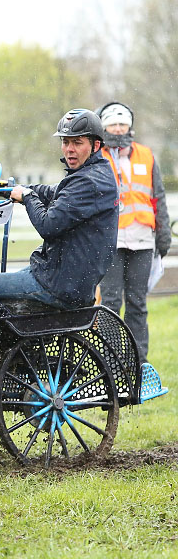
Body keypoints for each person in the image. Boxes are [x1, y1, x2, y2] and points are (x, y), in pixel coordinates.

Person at [0, 109, 119, 310]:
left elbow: (48, 225)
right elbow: (49, 192)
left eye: (77, 143)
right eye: (65, 142)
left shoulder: (89, 181)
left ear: (95, 145)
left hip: (60, 286)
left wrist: (27, 197)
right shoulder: (91, 174)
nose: (69, 149)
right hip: (60, 277)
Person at [96, 101, 171, 364]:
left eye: (122, 123)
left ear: (130, 126)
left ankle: (139, 363)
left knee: (138, 304)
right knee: (111, 304)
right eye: (112, 125)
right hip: (110, 242)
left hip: (142, 241)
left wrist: (163, 235)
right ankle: (110, 363)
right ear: (103, 128)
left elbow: (157, 197)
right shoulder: (98, 158)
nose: (117, 129)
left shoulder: (146, 155)